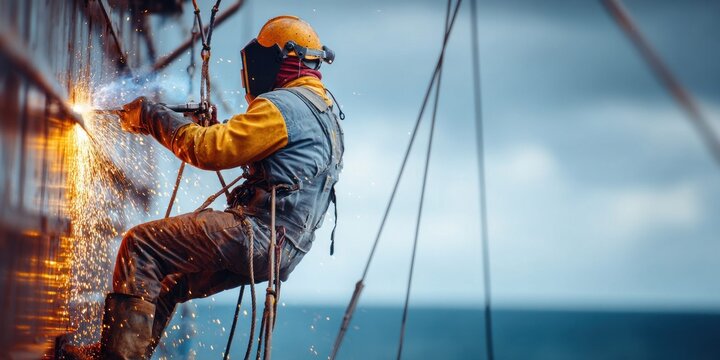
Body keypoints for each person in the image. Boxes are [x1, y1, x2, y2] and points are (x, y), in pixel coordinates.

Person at [63, 15, 343, 359]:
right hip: (284, 251)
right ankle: (121, 351)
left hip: (256, 236)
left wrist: (150, 116)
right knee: (168, 278)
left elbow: (207, 150)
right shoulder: (323, 112)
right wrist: (208, 126)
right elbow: (279, 163)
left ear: (278, 60)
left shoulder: (282, 107)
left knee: (142, 246)